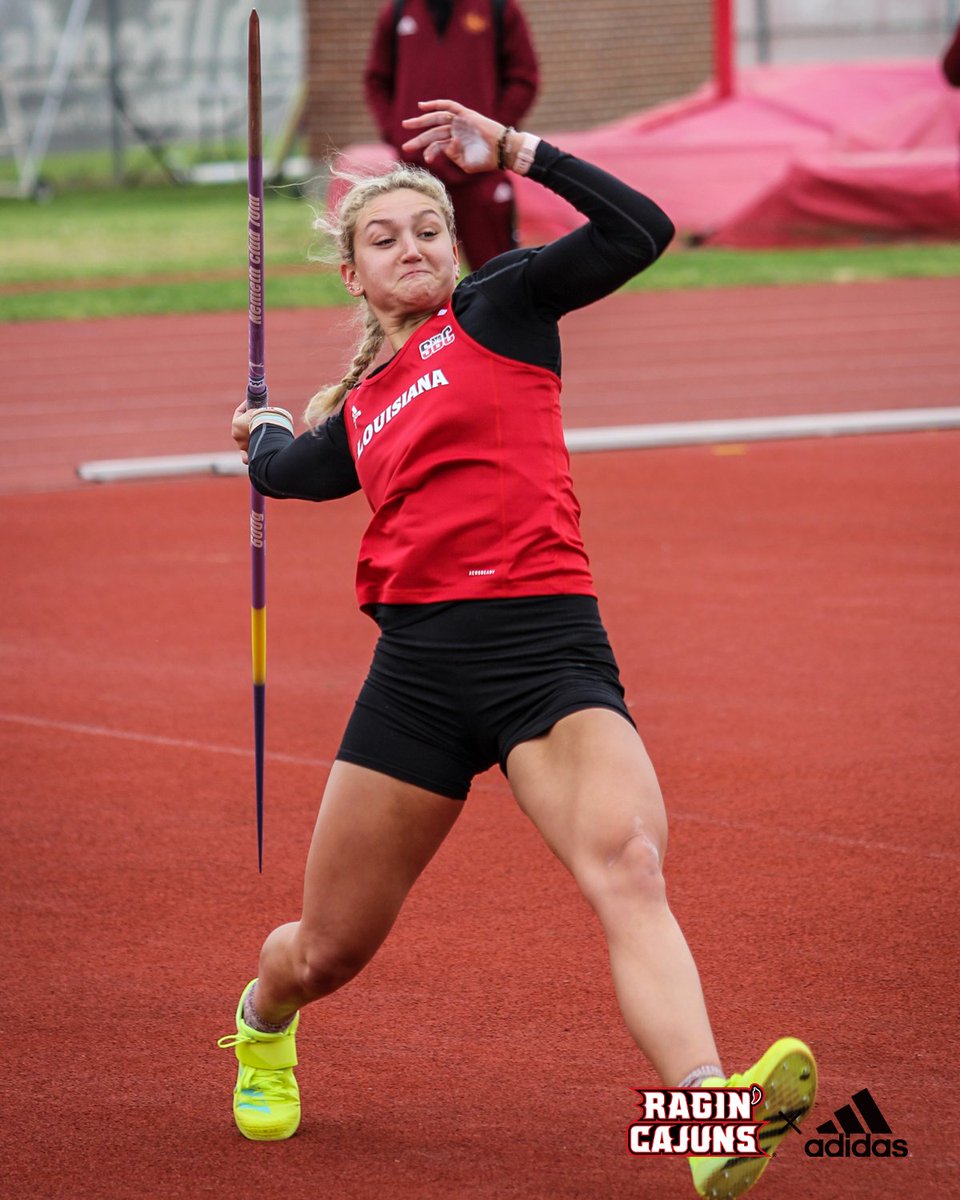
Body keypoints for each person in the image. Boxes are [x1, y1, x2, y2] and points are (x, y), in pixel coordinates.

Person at [222, 98, 818, 1199]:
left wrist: (518, 152)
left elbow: (640, 231)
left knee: (629, 868)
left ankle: (710, 1115)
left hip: (549, 649)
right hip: (417, 682)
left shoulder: (500, 306)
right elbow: (285, 472)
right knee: (326, 952)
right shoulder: (359, 413)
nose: (413, 249)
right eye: (384, 238)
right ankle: (263, 1024)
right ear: (352, 275)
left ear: (457, 248)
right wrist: (261, 429)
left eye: (429, 231)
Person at [363, 0, 538, 268]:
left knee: (498, 275)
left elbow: (524, 79)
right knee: (417, 274)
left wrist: (490, 136)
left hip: (480, 172)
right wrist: (396, 133)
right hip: (417, 173)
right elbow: (376, 80)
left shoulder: (498, 8)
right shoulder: (398, 10)